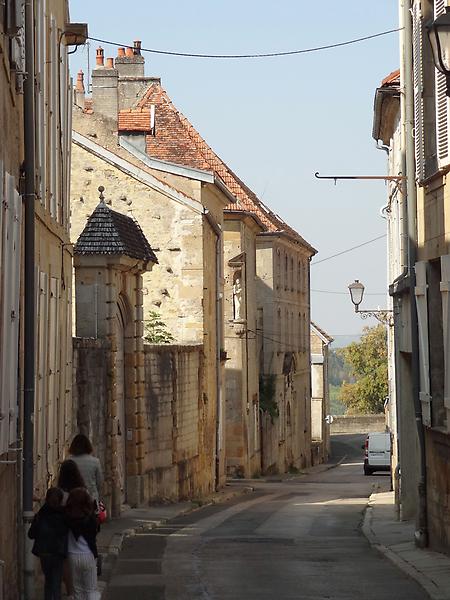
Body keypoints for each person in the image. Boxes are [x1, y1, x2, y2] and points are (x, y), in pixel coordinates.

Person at [28, 487, 68, 600]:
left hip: (44, 552)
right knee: (56, 582)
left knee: (48, 581)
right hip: (58, 552)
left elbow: (31, 534)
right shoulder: (64, 515)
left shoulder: (41, 514)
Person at [65, 487, 99, 599]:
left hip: (72, 555)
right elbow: (95, 531)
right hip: (88, 554)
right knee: (91, 589)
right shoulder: (90, 518)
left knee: (78, 590)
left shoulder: (67, 517)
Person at [69, 434, 103, 505]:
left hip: (73, 500)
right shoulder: (95, 461)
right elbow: (99, 483)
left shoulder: (69, 461)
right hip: (91, 498)